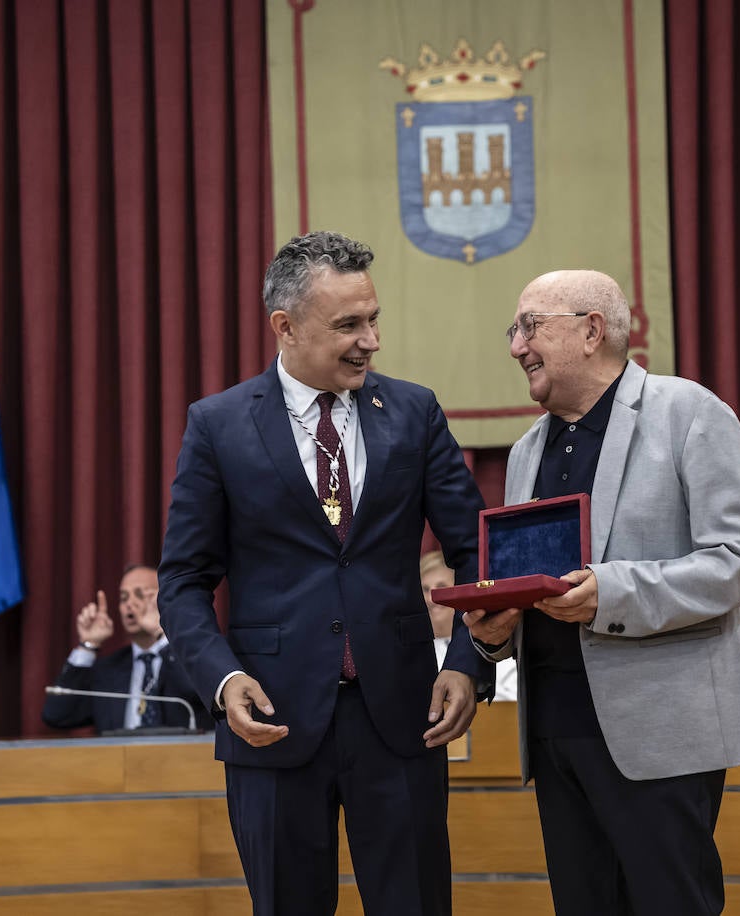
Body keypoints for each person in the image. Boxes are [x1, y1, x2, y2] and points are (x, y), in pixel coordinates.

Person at [158, 231, 490, 916]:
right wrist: (222, 681)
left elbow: (477, 550)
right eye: (349, 325)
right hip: (272, 725)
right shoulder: (217, 426)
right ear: (286, 327)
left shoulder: (415, 412)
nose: (371, 339)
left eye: (373, 319)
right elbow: (184, 580)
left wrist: (468, 659)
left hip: (403, 721)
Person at [464, 269, 740, 915]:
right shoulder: (526, 450)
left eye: (530, 327)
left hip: (661, 731)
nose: (517, 346)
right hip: (554, 732)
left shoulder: (688, 412)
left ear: (591, 330)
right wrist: (499, 633)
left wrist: (616, 591)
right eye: (514, 330)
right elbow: (540, 586)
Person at [42, 564, 207, 732]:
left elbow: (202, 694)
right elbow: (57, 715)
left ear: (166, 599)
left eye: (141, 595)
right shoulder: (109, 669)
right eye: (124, 597)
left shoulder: (200, 653)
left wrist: (161, 632)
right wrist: (88, 645)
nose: (130, 604)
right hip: (119, 757)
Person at [422, 550, 517, 701]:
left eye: (440, 588)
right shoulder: (412, 653)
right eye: (425, 590)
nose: (430, 598)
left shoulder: (492, 644)